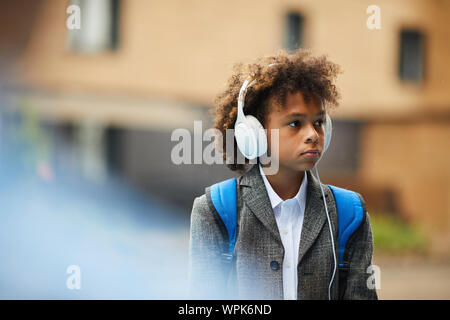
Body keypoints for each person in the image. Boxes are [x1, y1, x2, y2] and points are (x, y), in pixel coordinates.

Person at [188, 49, 378, 300]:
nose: (312, 134)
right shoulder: (215, 209)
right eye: (295, 123)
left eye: (319, 122)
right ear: (253, 134)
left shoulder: (349, 212)